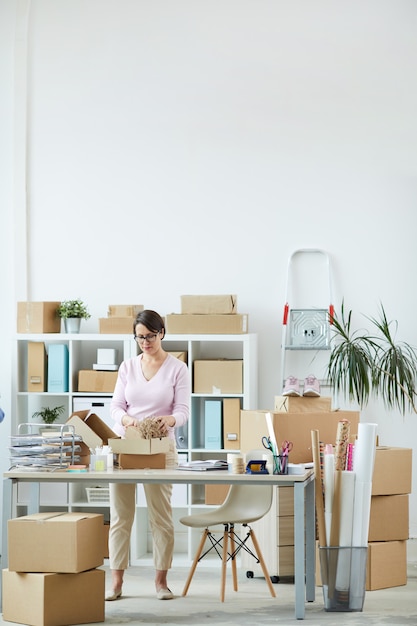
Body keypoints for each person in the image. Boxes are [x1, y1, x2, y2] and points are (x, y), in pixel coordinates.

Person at [106, 309, 190, 601]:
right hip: (128, 446)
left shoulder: (178, 369)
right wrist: (128, 421)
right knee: (121, 516)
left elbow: (183, 411)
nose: (145, 342)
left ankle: (161, 582)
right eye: (140, 337)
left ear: (162, 333)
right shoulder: (127, 367)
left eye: (150, 336)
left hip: (161, 449)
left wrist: (167, 421)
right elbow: (116, 406)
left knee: (161, 517)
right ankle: (116, 583)